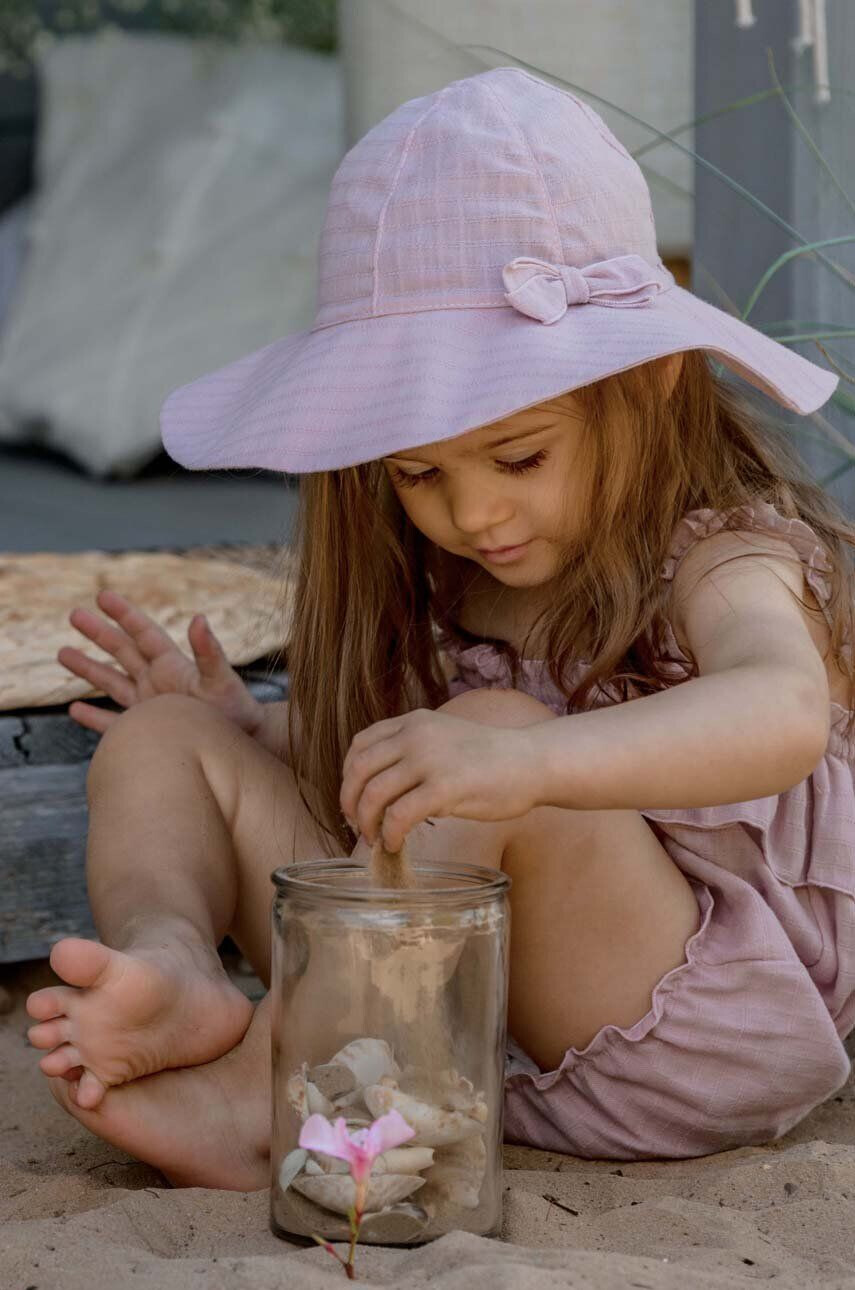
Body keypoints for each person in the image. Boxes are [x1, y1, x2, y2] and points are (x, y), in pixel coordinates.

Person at [25, 66, 855, 1183]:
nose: (472, 513)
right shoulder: (449, 575)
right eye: (418, 472)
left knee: (497, 740)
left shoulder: (720, 554)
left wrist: (523, 758)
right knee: (162, 742)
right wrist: (249, 733)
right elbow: (414, 790)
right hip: (469, 1013)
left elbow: (783, 709)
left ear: (650, 383)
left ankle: (266, 1096)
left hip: (682, 1030)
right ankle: (177, 965)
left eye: (519, 457)